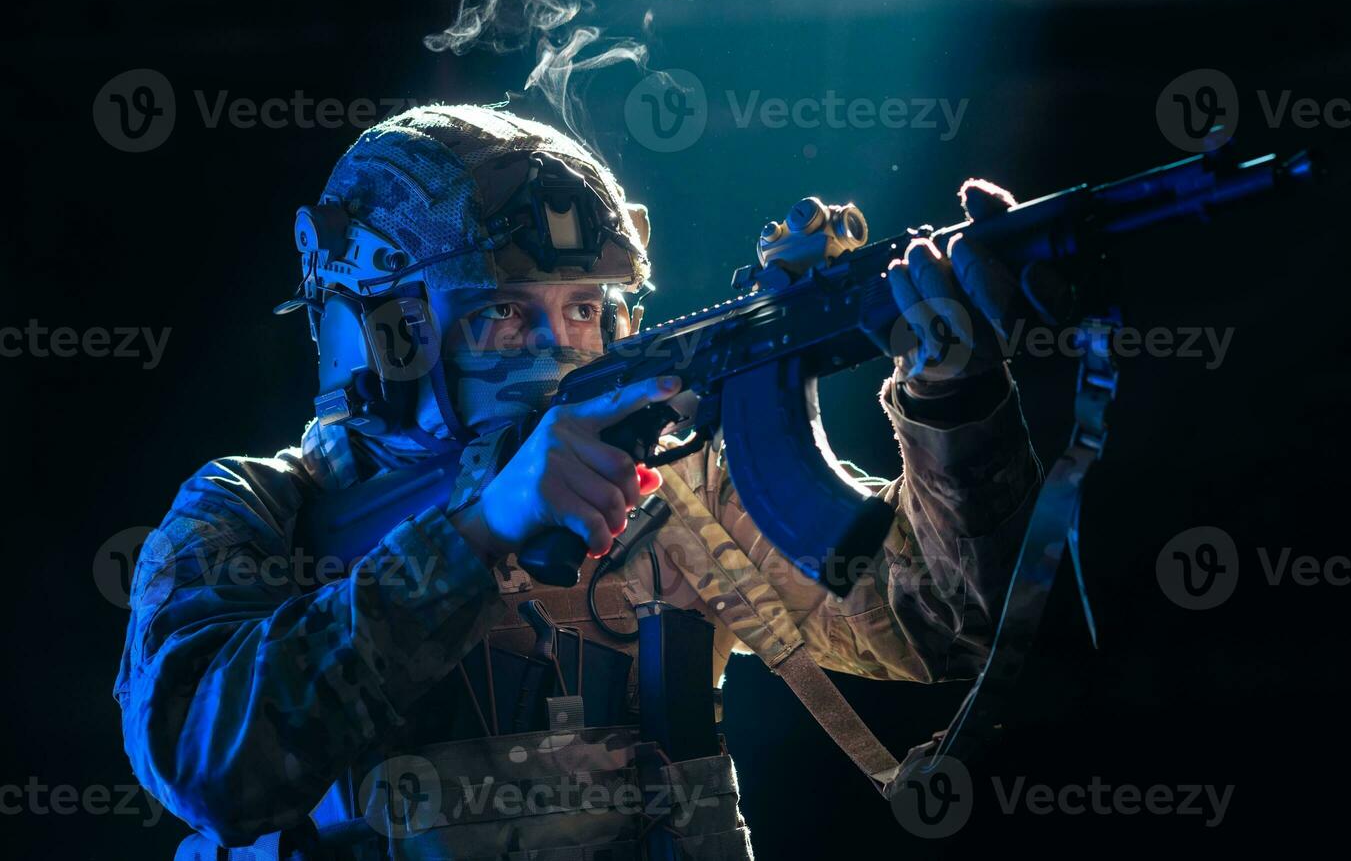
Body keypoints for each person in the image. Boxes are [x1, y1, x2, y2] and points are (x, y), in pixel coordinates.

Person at [115, 104, 1044, 860]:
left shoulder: (667, 493)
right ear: (388, 334)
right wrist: (476, 536)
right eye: (505, 314)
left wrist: (950, 398)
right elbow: (212, 769)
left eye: (587, 309)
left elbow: (942, 629)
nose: (560, 346)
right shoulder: (258, 516)